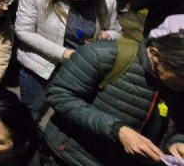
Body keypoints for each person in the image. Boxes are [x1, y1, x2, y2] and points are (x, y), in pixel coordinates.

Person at [44, 32, 184, 166]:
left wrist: (176, 142)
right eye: (181, 76)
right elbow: (59, 95)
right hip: (72, 156)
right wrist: (118, 130)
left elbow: (175, 125)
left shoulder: (176, 86)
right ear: (155, 55)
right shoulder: (103, 55)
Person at [15, 0, 121, 118]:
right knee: (31, 115)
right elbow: (23, 31)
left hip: (82, 72)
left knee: (70, 116)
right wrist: (63, 53)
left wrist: (109, 35)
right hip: (41, 69)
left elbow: (116, 31)